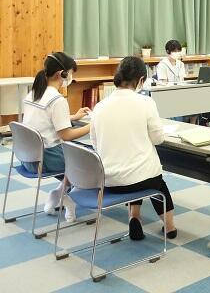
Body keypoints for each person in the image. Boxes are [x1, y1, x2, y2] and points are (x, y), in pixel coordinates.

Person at [90, 56, 177, 240]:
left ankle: (134, 217)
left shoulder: (99, 106)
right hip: (142, 179)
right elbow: (158, 139)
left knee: (134, 168)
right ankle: (170, 227)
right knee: (155, 181)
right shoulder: (146, 103)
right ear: (141, 80)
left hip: (110, 181)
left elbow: (95, 143)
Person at [22, 52, 91, 221]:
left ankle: (59, 193)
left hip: (28, 158)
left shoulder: (33, 93)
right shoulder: (57, 99)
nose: (71, 78)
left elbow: (44, 120)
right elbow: (66, 135)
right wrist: (92, 126)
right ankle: (67, 197)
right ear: (62, 74)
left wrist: (73, 117)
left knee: (78, 155)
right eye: (71, 73)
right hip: (46, 159)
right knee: (89, 161)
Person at [155, 39, 199, 124]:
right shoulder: (162, 65)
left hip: (180, 92)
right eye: (174, 51)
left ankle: (193, 124)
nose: (177, 53)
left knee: (196, 102)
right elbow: (163, 84)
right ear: (168, 51)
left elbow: (182, 80)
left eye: (178, 51)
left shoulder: (180, 64)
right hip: (168, 94)